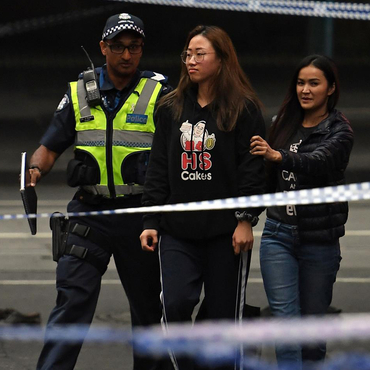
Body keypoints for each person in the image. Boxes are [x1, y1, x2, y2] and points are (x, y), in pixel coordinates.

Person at [28, 13, 172, 370]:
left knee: (149, 312)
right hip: (89, 213)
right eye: (119, 47)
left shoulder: (160, 93)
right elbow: (49, 146)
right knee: (71, 302)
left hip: (140, 216)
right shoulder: (79, 92)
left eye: (134, 47)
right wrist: (32, 172)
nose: (127, 55)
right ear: (103, 48)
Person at [139, 25, 265, 370]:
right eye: (188, 55)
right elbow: (159, 166)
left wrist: (245, 219)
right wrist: (151, 220)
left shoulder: (244, 108)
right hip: (178, 231)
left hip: (227, 233)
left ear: (222, 60)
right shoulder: (170, 108)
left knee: (224, 318)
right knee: (176, 304)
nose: (191, 61)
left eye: (200, 54)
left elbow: (253, 170)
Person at [249, 54, 353, 368]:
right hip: (278, 236)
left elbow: (318, 161)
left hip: (319, 240)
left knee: (311, 333)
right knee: (285, 325)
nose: (305, 90)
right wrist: (245, 217)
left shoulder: (340, 131)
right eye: (300, 82)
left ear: (331, 89)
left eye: (314, 83)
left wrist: (279, 156)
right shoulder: (281, 125)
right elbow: (264, 181)